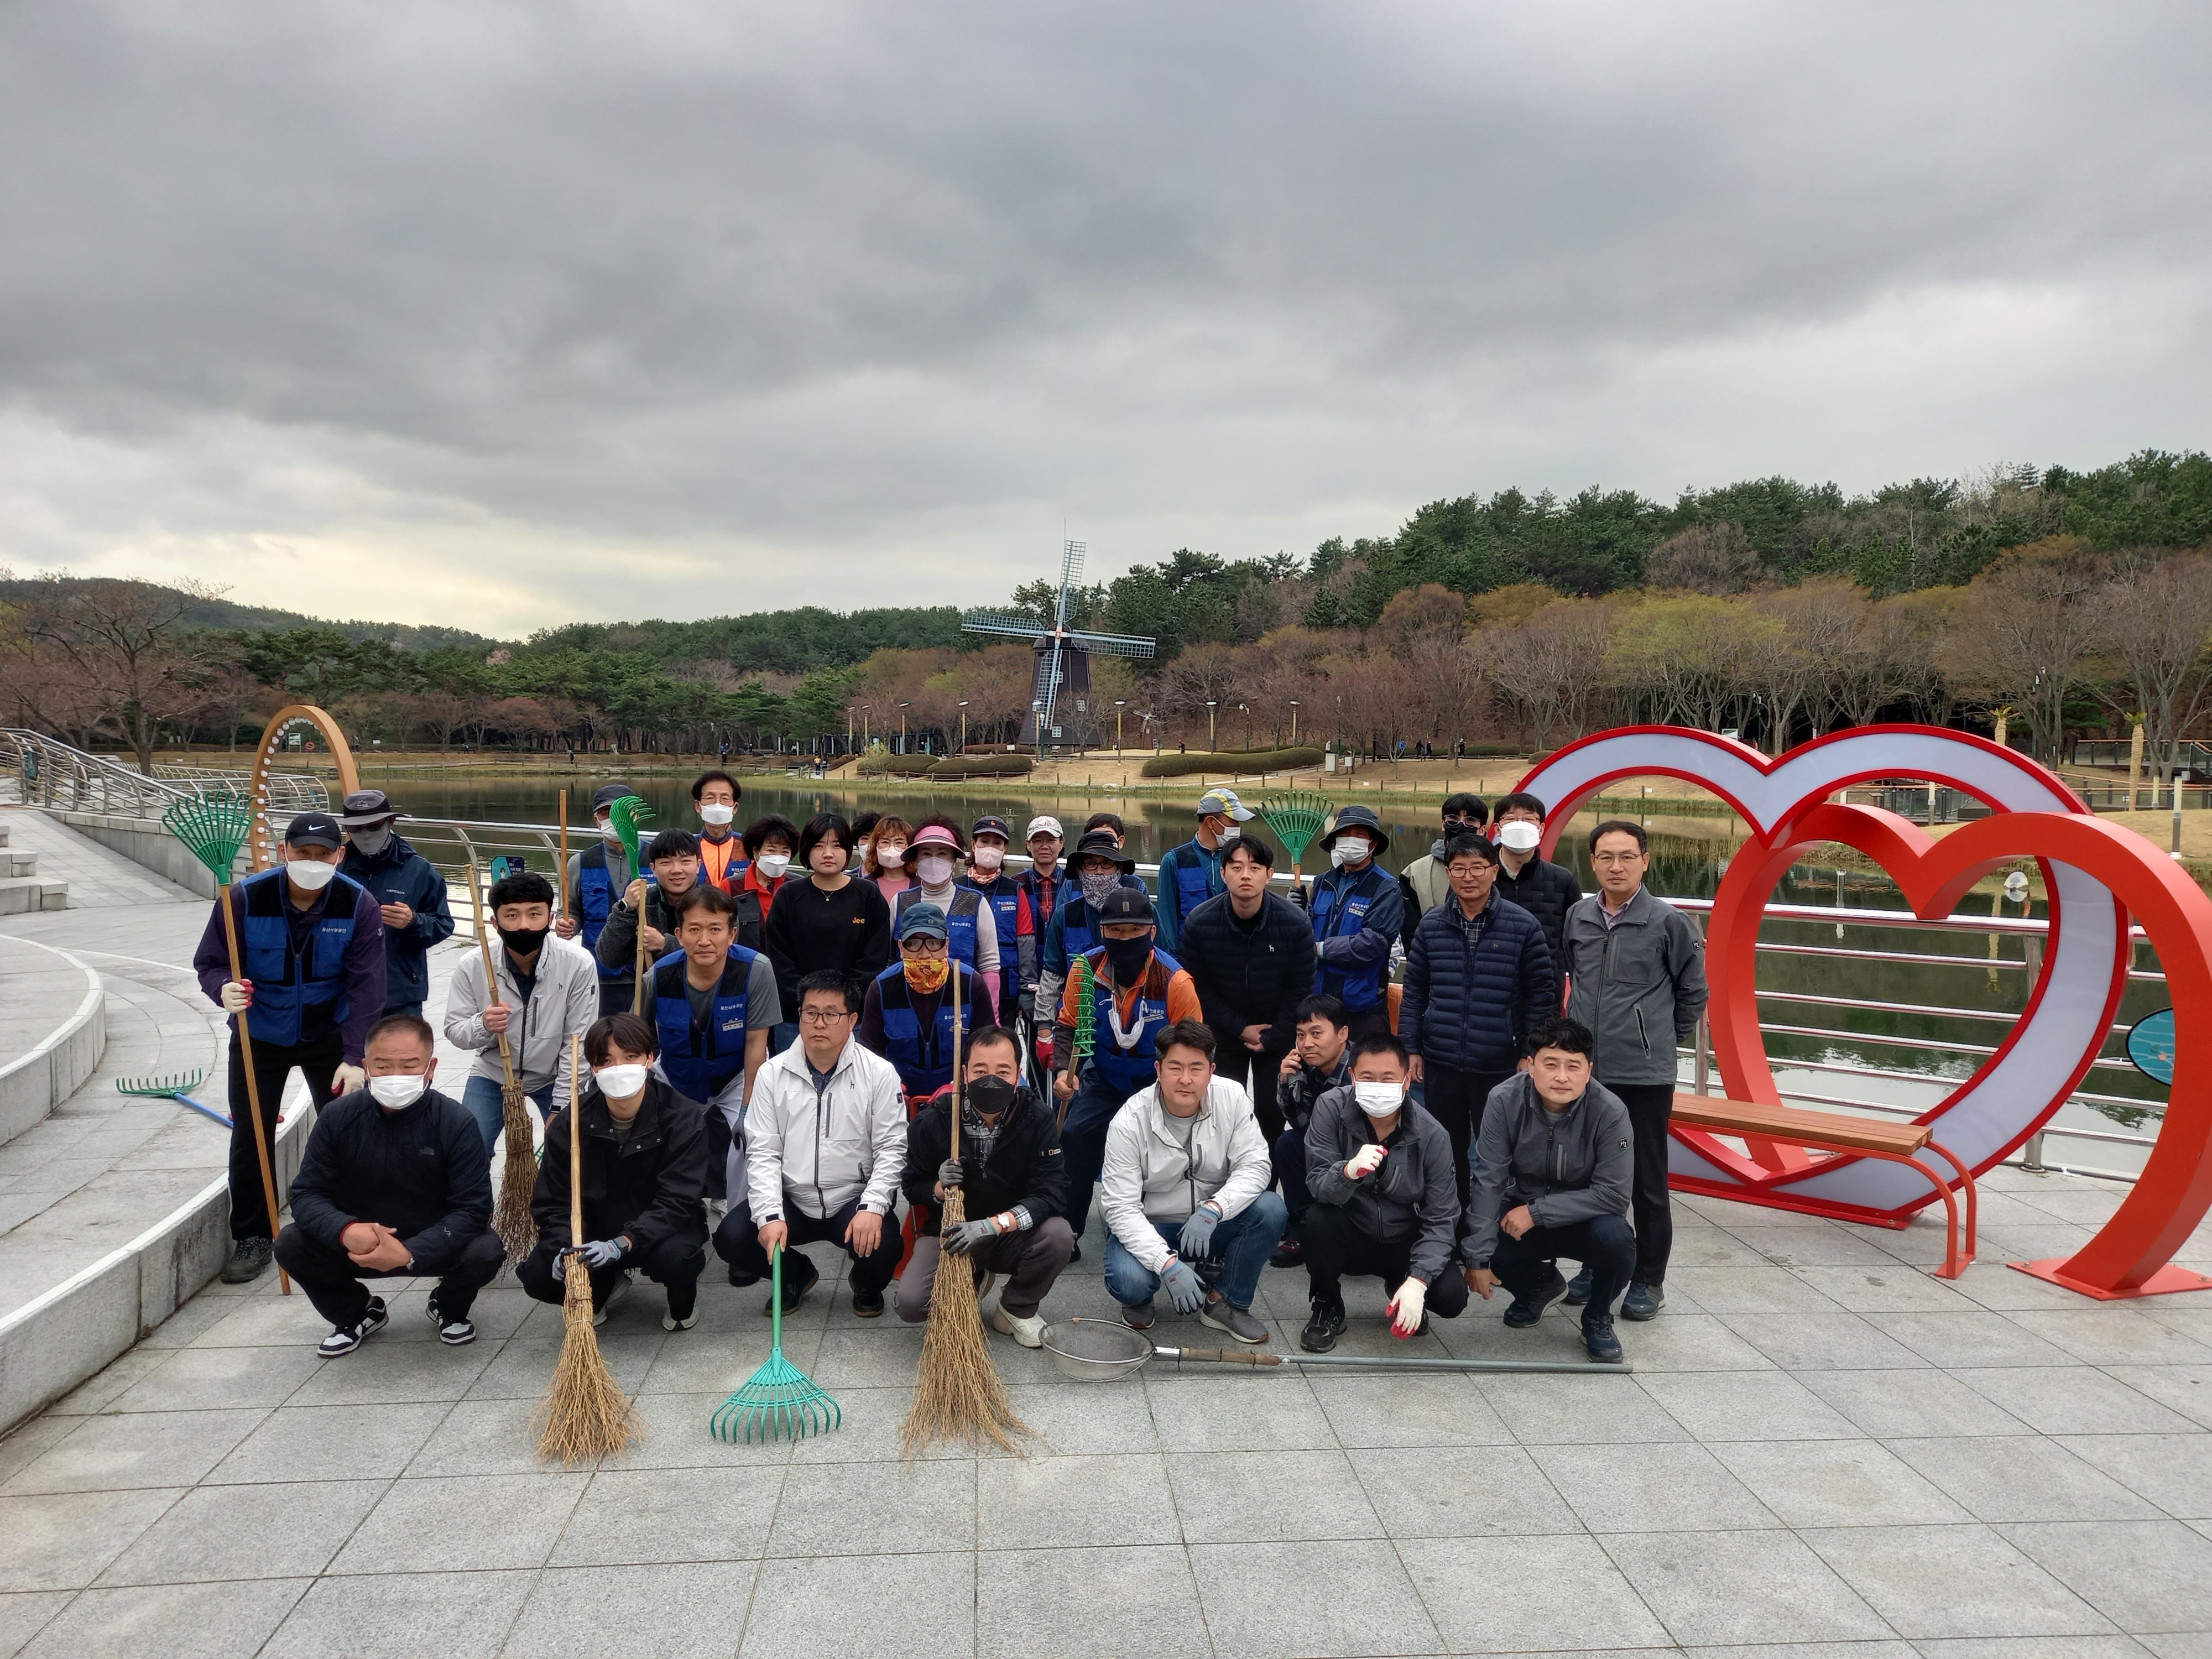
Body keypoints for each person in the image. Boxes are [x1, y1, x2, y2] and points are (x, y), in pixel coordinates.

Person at [194, 810, 387, 1285]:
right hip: (260, 1034)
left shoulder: (358, 904)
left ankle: (350, 1225)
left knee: (348, 1131)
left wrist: (355, 1057)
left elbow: (368, 988)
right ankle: (255, 1235)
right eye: (303, 853)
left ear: (339, 857)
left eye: (323, 854)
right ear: (284, 852)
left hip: (330, 1034)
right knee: (251, 1135)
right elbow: (211, 962)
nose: (312, 862)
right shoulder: (242, 897)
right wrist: (223, 988)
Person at [274, 1014, 505, 1354]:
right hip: (357, 1241)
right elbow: (307, 1193)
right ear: (366, 1066)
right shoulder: (338, 1117)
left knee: (485, 1251)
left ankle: (449, 1306)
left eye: (410, 1065)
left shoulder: (456, 1121)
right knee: (291, 1243)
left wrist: (412, 1251)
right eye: (383, 1066)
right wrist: (345, 1230)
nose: (395, 1076)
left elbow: (473, 1208)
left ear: (430, 1067)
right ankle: (356, 1312)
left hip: (432, 1240)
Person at [1558, 821, 1708, 1322]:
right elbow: (1574, 978)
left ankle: (1648, 1278)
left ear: (1645, 860)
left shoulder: (1670, 922)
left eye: (1626, 856)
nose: (1615, 866)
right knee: (1585, 1175)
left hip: (1643, 1074)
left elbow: (1693, 994)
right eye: (1605, 857)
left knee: (1646, 1179)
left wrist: (1658, 1040)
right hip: (1584, 1072)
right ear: (1593, 862)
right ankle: (1595, 1265)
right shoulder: (1578, 915)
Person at [717, 971, 906, 1314]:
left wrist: (873, 1207)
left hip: (851, 1198)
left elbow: (892, 1148)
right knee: (732, 1237)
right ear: (800, 1015)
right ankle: (795, 1273)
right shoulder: (772, 1074)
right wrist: (770, 1215)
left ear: (852, 1020)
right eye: (810, 1012)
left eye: (831, 1014)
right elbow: (763, 1152)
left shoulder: (879, 1073)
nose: (819, 1023)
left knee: (886, 1243)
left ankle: (865, 1283)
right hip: (794, 1198)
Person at [518, 1012, 710, 1332]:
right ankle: (605, 1284)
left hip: (662, 1230)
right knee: (539, 1277)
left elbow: (679, 1199)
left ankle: (682, 1302)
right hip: (595, 1230)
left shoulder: (682, 1117)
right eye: (606, 1061)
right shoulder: (572, 1122)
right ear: (593, 1069)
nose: (618, 1069)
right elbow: (552, 1200)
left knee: (679, 1259)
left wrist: (624, 1242)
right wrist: (562, 1248)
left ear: (651, 1059)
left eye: (630, 1057)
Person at [1098, 1019, 1285, 1343]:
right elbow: (1120, 1208)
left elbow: (1256, 1165)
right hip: (1152, 1223)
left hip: (1210, 1222)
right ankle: (1142, 1296)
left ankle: (1226, 1303)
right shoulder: (1129, 1120)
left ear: (1211, 1070)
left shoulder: (1233, 1097)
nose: (1185, 1079)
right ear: (1158, 1069)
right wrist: (1167, 1264)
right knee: (1129, 1281)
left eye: (1196, 1068)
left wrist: (1214, 1209)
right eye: (1175, 1067)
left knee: (1271, 1209)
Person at [1462, 1017, 1636, 1363]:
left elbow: (1614, 1195)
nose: (1562, 1077)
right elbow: (1488, 1179)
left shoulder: (1610, 1111)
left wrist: (1537, 1212)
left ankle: (1598, 1317)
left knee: (1619, 1239)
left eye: (1574, 1066)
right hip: (1519, 1210)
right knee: (1471, 1233)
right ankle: (1539, 1287)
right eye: (1550, 1064)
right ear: (1530, 1066)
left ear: (1589, 1070)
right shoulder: (1503, 1100)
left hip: (1583, 1218)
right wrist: (1476, 1259)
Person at [1399, 833, 1557, 1209]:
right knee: (1446, 1150)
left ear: (1494, 869)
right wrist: (1411, 1048)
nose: (1468, 877)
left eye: (1478, 868)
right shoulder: (1433, 925)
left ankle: (1495, 1229)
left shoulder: (1523, 926)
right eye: (1459, 869)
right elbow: (1415, 991)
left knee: (1499, 1150)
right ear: (1448, 872)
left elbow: (1541, 995)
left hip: (1500, 1061)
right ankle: (1451, 1227)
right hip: (1442, 1058)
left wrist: (1529, 1051)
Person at [898, 1024, 1073, 1345]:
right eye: (980, 1070)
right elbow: (911, 1185)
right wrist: (938, 1187)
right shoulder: (936, 1120)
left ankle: (1017, 1308)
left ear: (1019, 1074)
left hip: (1012, 1232)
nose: (991, 1080)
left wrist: (993, 1225)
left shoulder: (1037, 1118)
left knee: (1059, 1235)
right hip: (951, 1234)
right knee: (911, 1303)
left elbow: (1052, 1191)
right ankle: (973, 1275)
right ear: (964, 1074)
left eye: (1003, 1071)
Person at [1050, 886, 1203, 1249]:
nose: (1124, 938)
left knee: (1159, 1149)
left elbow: (1195, 1046)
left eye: (1134, 930)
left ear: (1151, 932)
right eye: (1115, 930)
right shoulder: (1085, 969)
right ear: (1102, 932)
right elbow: (1068, 1025)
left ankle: (1154, 1223)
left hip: (1156, 1084)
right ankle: (1067, 1232)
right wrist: (1061, 1072)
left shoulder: (1175, 981)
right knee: (1074, 1135)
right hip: (1103, 1077)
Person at [1298, 1032, 1469, 1352]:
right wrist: (1347, 1172)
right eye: (1367, 1077)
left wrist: (1418, 1281)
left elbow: (1443, 1216)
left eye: (1388, 1078)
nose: (1378, 1086)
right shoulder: (1331, 1108)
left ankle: (1402, 1287)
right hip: (1351, 1232)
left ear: (1406, 1081)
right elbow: (1318, 1185)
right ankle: (1327, 1303)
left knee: (1451, 1298)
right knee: (1316, 1220)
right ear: (1352, 1076)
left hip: (1404, 1237)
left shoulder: (1433, 1135)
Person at [442, 871, 598, 1160]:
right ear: (495, 922)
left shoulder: (577, 964)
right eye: (512, 916)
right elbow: (454, 1030)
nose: (524, 925)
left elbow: (578, 1041)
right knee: (467, 1149)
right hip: (493, 1073)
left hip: (552, 1075)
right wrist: (483, 1025)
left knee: (573, 1150)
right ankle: (474, 1206)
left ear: (550, 919)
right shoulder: (475, 965)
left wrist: (560, 1106)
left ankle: (558, 1206)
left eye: (534, 914)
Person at [648, 884, 779, 1206]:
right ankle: (675, 1212)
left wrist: (749, 1109)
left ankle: (741, 1219)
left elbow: (756, 1044)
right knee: (659, 1145)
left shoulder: (755, 970)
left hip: (735, 1074)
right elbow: (640, 1042)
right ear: (679, 935)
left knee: (753, 1140)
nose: (704, 940)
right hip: (676, 1074)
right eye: (694, 929)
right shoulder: (658, 975)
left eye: (715, 929)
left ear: (732, 934)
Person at [1176, 836, 1313, 1139]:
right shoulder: (1200, 923)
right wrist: (1240, 1028)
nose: (1246, 875)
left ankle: (1267, 1182)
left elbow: (1301, 988)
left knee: (1271, 1116)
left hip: (1276, 1033)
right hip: (1222, 1034)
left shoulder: (1295, 923)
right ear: (1223, 873)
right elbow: (1197, 988)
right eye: (1236, 867)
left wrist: (1273, 1035)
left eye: (1254, 867)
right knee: (1220, 1115)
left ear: (1270, 874)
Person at [761, 812, 895, 1025]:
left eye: (837, 846)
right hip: (797, 1014)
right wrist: (809, 1001)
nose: (828, 854)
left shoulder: (868, 895)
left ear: (847, 850)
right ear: (806, 850)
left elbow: (874, 959)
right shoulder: (789, 896)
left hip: (852, 1016)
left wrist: (842, 1002)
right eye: (818, 846)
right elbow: (780, 958)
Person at [335, 789, 453, 1019]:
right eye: (356, 828)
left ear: (391, 822)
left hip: (400, 995)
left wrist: (414, 922)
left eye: (373, 826)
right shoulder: (334, 868)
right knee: (347, 1055)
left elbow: (443, 924)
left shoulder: (420, 870)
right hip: (342, 993)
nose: (365, 834)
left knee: (402, 1054)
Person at [860, 901, 983, 1099]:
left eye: (934, 943)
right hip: (898, 1098)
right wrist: (887, 1085)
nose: (925, 954)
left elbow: (986, 1048)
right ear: (901, 947)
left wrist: (961, 1082)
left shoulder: (970, 984)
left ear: (947, 945)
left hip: (960, 1095)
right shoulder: (881, 989)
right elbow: (870, 1055)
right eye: (914, 943)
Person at [1270, 993, 1355, 1267]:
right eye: (1301, 1035)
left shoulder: (1360, 1069)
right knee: (1288, 1143)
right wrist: (1287, 1081)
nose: (1307, 1044)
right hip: (1326, 1149)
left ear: (1342, 1033)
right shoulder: (1308, 1068)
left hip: (1359, 1154)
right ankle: (1302, 1233)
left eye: (1317, 1033)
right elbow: (1300, 1124)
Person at [1307, 805, 1405, 1042]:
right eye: (1345, 833)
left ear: (1373, 844)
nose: (1351, 840)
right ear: (1334, 842)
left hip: (1361, 1008)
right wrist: (1296, 912)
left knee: (1360, 1073)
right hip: (1317, 1005)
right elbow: (1303, 936)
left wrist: (1320, 949)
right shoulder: (1322, 882)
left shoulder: (1386, 887)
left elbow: (1372, 944)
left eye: (1360, 835)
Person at [893, 820, 1003, 1014]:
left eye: (942, 854)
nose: (934, 860)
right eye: (926, 854)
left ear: (954, 860)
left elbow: (989, 964)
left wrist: (990, 1014)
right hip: (908, 1004)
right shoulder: (901, 902)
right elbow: (890, 959)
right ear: (915, 860)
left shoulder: (975, 902)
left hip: (961, 1004)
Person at [1036, 830, 1145, 1024]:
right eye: (1091, 864)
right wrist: (1044, 1026)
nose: (1100, 871)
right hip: (1077, 1021)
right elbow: (1052, 975)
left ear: (1119, 869)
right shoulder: (1064, 916)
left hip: (1133, 1018)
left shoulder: (1142, 913)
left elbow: (1159, 966)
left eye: (1107, 863)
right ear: (1080, 871)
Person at [595, 829, 704, 1009]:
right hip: (649, 1002)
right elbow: (608, 958)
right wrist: (625, 908)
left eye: (685, 862)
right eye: (666, 863)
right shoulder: (644, 901)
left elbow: (721, 955)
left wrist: (665, 944)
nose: (677, 870)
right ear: (653, 868)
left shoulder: (714, 904)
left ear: (698, 865)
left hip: (701, 1001)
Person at [562, 784, 644, 1012]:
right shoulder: (580, 863)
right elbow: (570, 909)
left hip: (645, 974)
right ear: (597, 820)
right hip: (597, 975)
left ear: (635, 816)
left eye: (621, 811)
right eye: (606, 813)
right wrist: (568, 924)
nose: (614, 819)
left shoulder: (656, 858)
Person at [1490, 792, 1583, 980]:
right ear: (1497, 828)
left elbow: (1577, 940)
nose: (1520, 825)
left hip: (1545, 986)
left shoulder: (1563, 880)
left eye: (1529, 819)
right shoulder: (1478, 876)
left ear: (1541, 829)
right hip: (1488, 984)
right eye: (1511, 819)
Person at [1151, 787, 1254, 953]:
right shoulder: (1175, 861)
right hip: (1190, 960)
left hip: (1232, 959)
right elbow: (1166, 921)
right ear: (1211, 822)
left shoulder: (1242, 860)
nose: (1238, 827)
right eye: (1233, 822)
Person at [960, 814, 1034, 1027]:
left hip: (1006, 989)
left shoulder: (1015, 890)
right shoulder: (956, 888)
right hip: (964, 984)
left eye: (997, 842)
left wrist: (1027, 988)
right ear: (974, 845)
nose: (990, 848)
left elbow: (1026, 942)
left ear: (1005, 849)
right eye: (984, 841)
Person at [1395, 794, 1488, 950]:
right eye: (1453, 818)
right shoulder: (1413, 873)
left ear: (1482, 830)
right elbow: (1410, 933)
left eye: (1470, 820)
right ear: (1443, 824)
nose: (1460, 825)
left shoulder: (1494, 871)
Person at [730, 813, 799, 952]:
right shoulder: (731, 887)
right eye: (771, 851)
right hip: (747, 967)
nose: (778, 858)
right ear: (756, 852)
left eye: (785, 852)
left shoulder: (799, 886)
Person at [691, 769, 748, 892]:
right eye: (710, 798)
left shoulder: (748, 848)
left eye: (725, 798)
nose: (718, 804)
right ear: (698, 806)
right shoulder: (688, 847)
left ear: (735, 807)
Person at [863, 815, 914, 902]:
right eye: (885, 842)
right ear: (875, 846)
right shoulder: (864, 886)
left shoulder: (921, 885)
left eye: (899, 842)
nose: (892, 848)